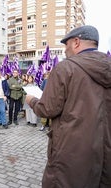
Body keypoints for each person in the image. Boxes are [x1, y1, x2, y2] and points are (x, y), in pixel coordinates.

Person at [25, 25, 111, 187]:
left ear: (76, 42)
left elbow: (47, 109)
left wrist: (31, 100)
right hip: (104, 152)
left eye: (66, 44)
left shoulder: (66, 68)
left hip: (72, 152)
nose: (65, 50)